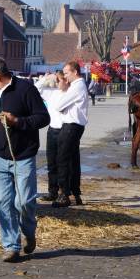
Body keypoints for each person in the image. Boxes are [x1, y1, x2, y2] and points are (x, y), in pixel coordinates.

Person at [0, 57, 50, 263]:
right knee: (0, 201)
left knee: (24, 202)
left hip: (23, 156)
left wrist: (18, 122)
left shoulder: (26, 89)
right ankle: (11, 246)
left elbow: (43, 118)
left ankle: (29, 232)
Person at [52, 61, 89, 208]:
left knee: (62, 159)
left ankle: (64, 194)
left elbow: (58, 105)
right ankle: (74, 192)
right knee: (73, 160)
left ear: (75, 72)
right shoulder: (78, 86)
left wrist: (62, 91)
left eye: (66, 73)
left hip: (71, 125)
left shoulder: (77, 86)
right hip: (74, 125)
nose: (65, 77)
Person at [35, 72, 65, 202]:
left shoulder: (69, 92)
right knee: (51, 163)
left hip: (65, 129)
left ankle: (64, 191)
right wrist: (46, 78)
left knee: (63, 163)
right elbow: (36, 88)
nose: (57, 82)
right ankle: (52, 191)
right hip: (52, 129)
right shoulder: (50, 92)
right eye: (56, 79)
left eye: (59, 79)